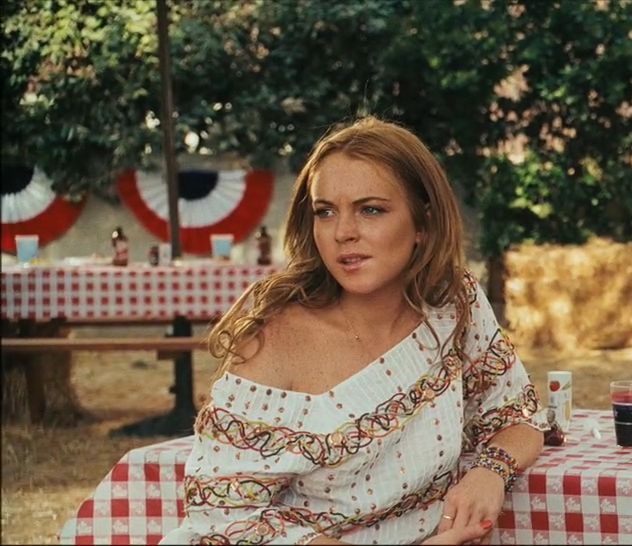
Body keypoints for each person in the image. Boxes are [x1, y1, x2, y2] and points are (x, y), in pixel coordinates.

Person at [162, 117, 546, 545]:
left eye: (371, 209)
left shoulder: (452, 304)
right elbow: (222, 517)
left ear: (423, 223)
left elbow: (517, 414)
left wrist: (490, 471)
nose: (343, 233)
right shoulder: (274, 339)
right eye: (325, 212)